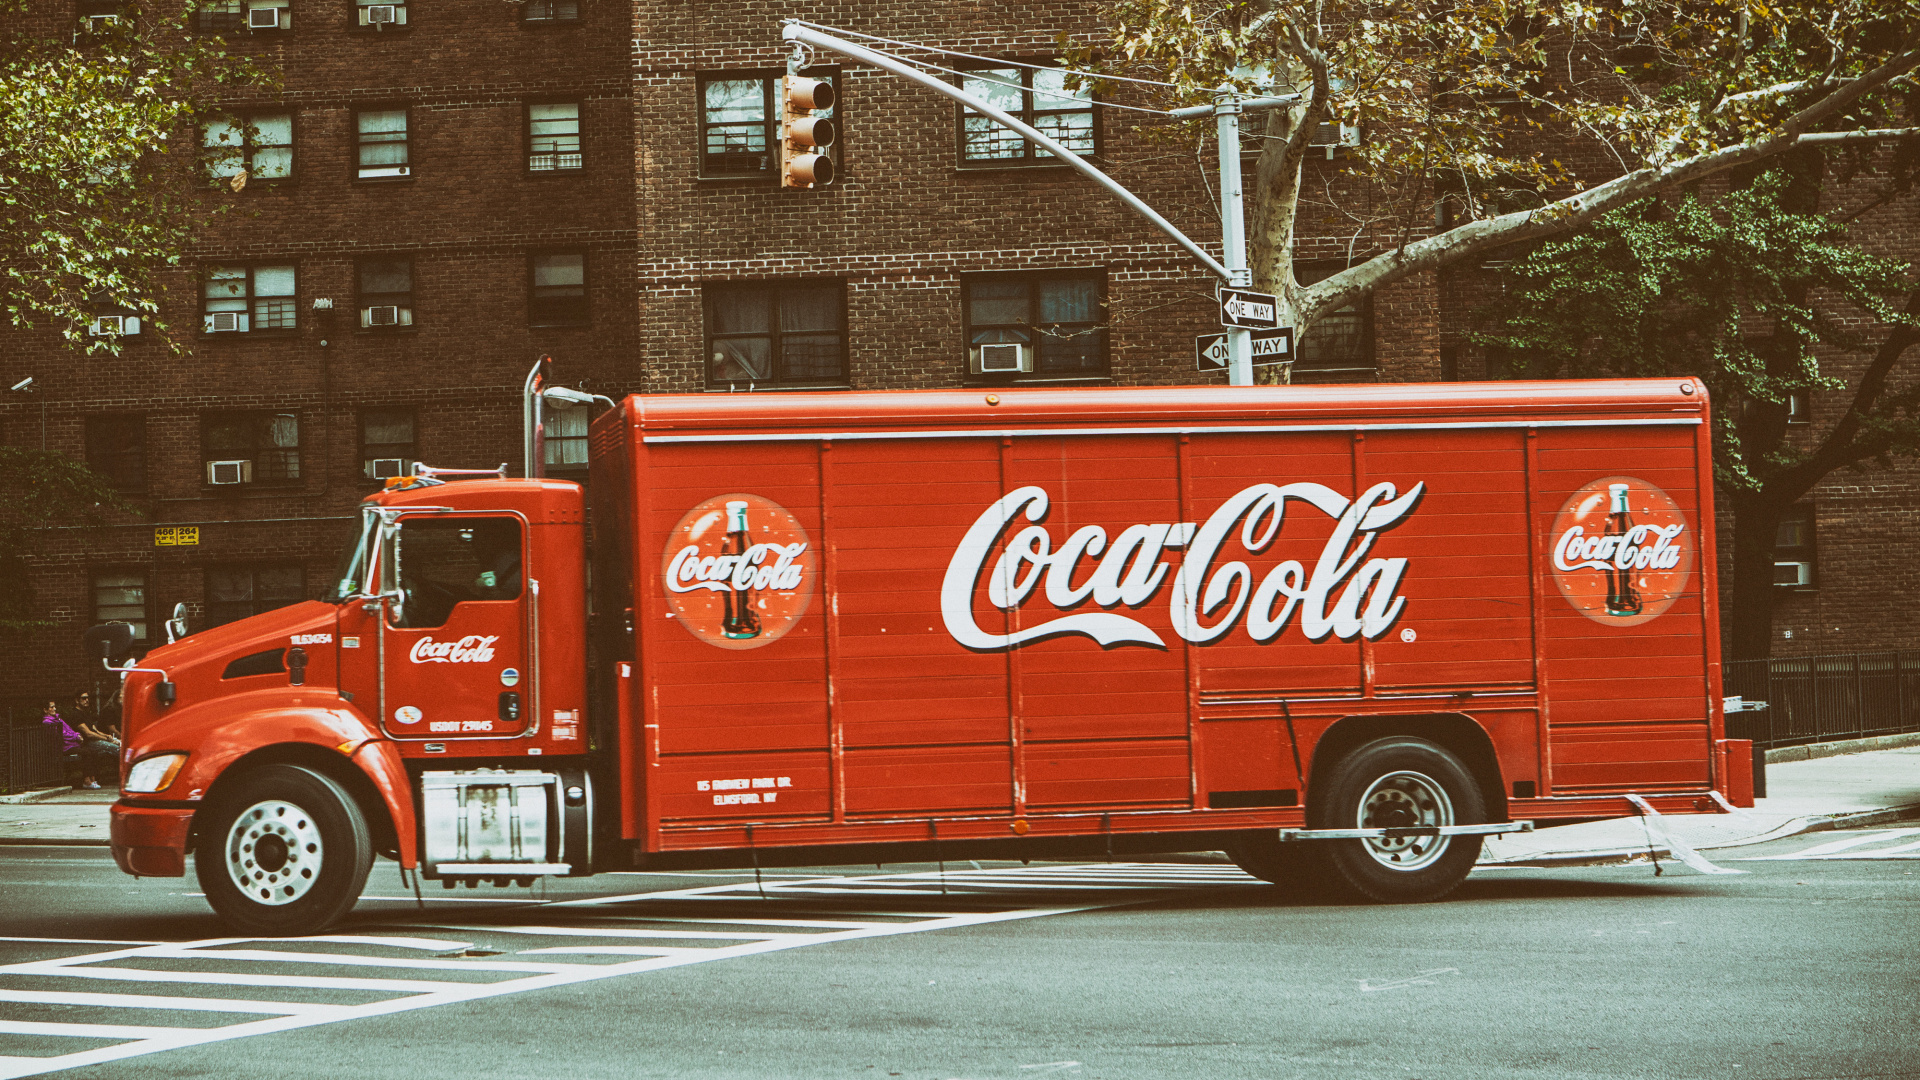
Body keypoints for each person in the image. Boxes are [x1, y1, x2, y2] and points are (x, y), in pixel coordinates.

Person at [42, 700, 115, 790]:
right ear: (45, 710)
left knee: (93, 751)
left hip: (71, 744)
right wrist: (76, 737)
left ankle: (93, 778)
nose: (54, 709)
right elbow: (61, 735)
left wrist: (76, 734)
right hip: (63, 747)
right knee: (86, 753)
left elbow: (68, 729)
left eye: (54, 706)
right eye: (51, 707)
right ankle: (87, 781)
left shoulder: (58, 719)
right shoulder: (48, 722)